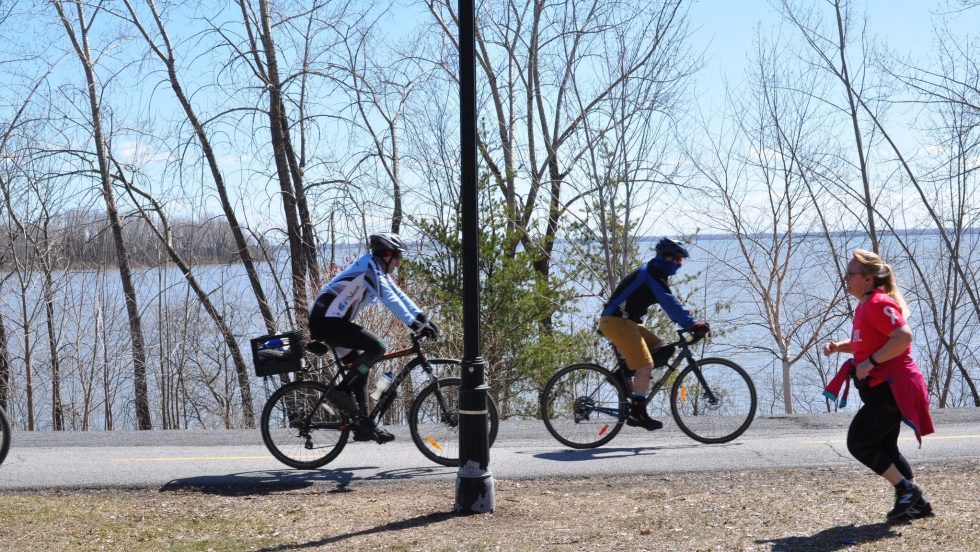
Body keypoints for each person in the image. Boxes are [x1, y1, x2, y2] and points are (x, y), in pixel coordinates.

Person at [822, 248, 934, 520]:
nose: (845, 279)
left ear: (868, 279)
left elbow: (903, 337)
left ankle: (908, 491)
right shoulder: (865, 306)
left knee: (859, 442)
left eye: (850, 274)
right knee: (885, 447)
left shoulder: (878, 303)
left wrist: (870, 362)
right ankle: (916, 504)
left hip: (895, 386)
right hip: (884, 388)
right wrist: (840, 348)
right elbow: (867, 343)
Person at [308, 232, 439, 443]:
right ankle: (341, 392)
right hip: (326, 321)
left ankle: (365, 425)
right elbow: (390, 300)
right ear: (386, 254)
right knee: (377, 348)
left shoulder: (376, 269)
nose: (398, 263)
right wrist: (414, 324)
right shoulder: (368, 269)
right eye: (397, 257)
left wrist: (422, 319)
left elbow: (399, 295)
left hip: (334, 322)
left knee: (361, 368)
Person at [598, 238, 709, 431]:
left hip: (624, 322)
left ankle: (620, 378)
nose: (679, 265)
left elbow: (670, 304)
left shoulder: (654, 272)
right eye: (677, 260)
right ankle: (638, 412)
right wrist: (693, 324)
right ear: (666, 258)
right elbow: (670, 304)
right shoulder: (652, 273)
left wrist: (689, 323)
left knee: (658, 347)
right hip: (617, 322)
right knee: (645, 364)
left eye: (681, 261)